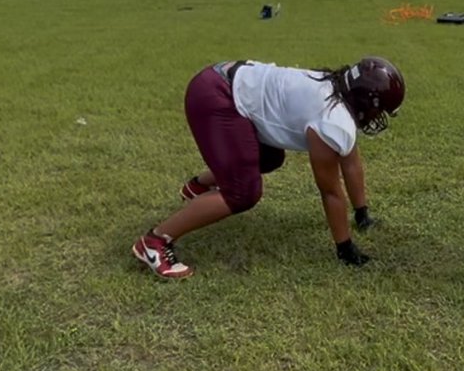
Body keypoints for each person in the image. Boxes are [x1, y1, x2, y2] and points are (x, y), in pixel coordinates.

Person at [132, 56, 405, 279]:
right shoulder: (332, 119)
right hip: (217, 95)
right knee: (243, 193)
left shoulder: (333, 89)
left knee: (271, 158)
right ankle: (155, 242)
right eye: (380, 111)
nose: (378, 118)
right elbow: (330, 191)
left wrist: (362, 213)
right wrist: (345, 248)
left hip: (223, 82)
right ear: (368, 101)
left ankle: (198, 186)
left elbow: (351, 161)